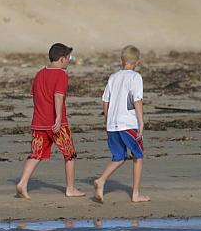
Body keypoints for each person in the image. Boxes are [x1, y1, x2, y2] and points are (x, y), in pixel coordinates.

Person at [16, 43, 85, 199]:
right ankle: (70, 188)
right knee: (70, 154)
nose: (69, 61)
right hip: (56, 123)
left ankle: (23, 182)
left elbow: (36, 95)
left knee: (35, 154)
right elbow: (58, 96)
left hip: (38, 122)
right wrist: (59, 117)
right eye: (69, 58)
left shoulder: (40, 74)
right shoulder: (61, 75)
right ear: (62, 59)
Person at [93, 45, 150, 203]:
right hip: (128, 124)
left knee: (119, 157)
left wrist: (107, 119)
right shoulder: (135, 77)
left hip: (113, 124)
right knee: (138, 156)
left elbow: (105, 101)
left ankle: (101, 180)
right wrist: (141, 123)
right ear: (137, 62)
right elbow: (137, 100)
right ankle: (136, 194)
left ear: (121, 60)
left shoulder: (113, 77)